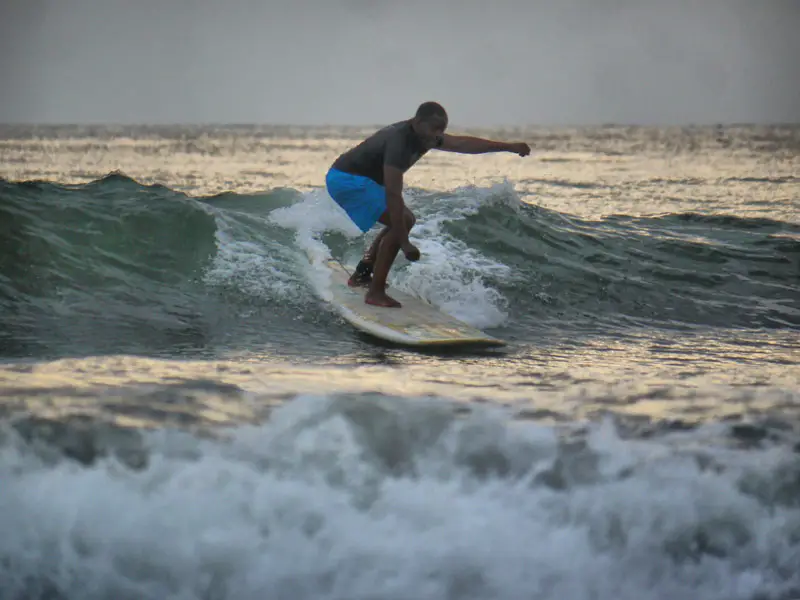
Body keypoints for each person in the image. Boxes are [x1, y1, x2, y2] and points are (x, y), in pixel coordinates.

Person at [325, 101, 531, 308]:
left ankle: (363, 273)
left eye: (441, 130)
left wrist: (508, 147)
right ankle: (375, 292)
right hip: (346, 180)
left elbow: (462, 144)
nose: (437, 134)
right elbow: (393, 195)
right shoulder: (400, 143)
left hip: (360, 179)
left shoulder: (426, 136)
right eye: (433, 129)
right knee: (402, 221)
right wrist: (404, 243)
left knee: (406, 220)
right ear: (417, 122)